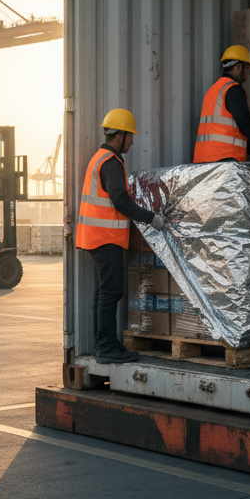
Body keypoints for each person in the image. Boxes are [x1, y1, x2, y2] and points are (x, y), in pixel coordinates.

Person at [76, 109, 165, 364]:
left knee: (105, 293)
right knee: (110, 292)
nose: (133, 141)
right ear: (122, 135)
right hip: (105, 238)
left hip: (98, 237)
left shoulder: (101, 158)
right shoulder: (111, 162)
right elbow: (120, 201)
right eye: (131, 136)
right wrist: (151, 218)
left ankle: (107, 344)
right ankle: (106, 347)